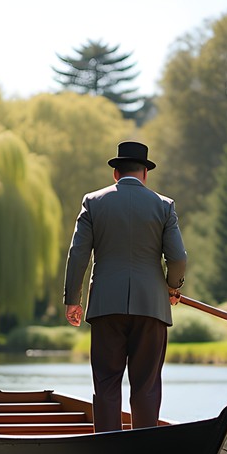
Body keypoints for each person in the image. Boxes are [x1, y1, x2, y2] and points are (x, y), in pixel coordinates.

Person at [63, 141, 187, 432]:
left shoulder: (93, 202)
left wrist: (73, 299)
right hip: (151, 306)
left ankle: (108, 447)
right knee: (146, 383)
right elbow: (178, 257)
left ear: (115, 174)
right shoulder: (164, 205)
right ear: (145, 173)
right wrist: (172, 286)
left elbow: (78, 253)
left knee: (106, 382)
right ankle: (143, 447)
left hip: (106, 306)